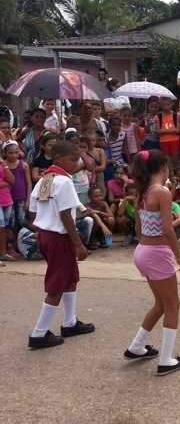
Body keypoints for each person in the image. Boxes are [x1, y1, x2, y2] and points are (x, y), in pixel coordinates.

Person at [124, 150, 180, 375]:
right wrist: (179, 257)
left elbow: (138, 226)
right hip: (157, 252)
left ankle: (137, 345)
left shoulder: (142, 192)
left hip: (142, 250)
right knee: (173, 305)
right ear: (163, 167)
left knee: (161, 303)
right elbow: (167, 229)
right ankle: (166, 358)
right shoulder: (162, 192)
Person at [26, 140, 95, 349]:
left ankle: (70, 322)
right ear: (58, 159)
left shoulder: (45, 178)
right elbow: (65, 214)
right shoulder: (64, 181)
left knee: (70, 277)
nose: (76, 164)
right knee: (56, 284)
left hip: (46, 234)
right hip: (59, 236)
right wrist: (79, 244)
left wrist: (44, 224)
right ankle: (38, 333)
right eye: (73, 159)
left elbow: (32, 211)